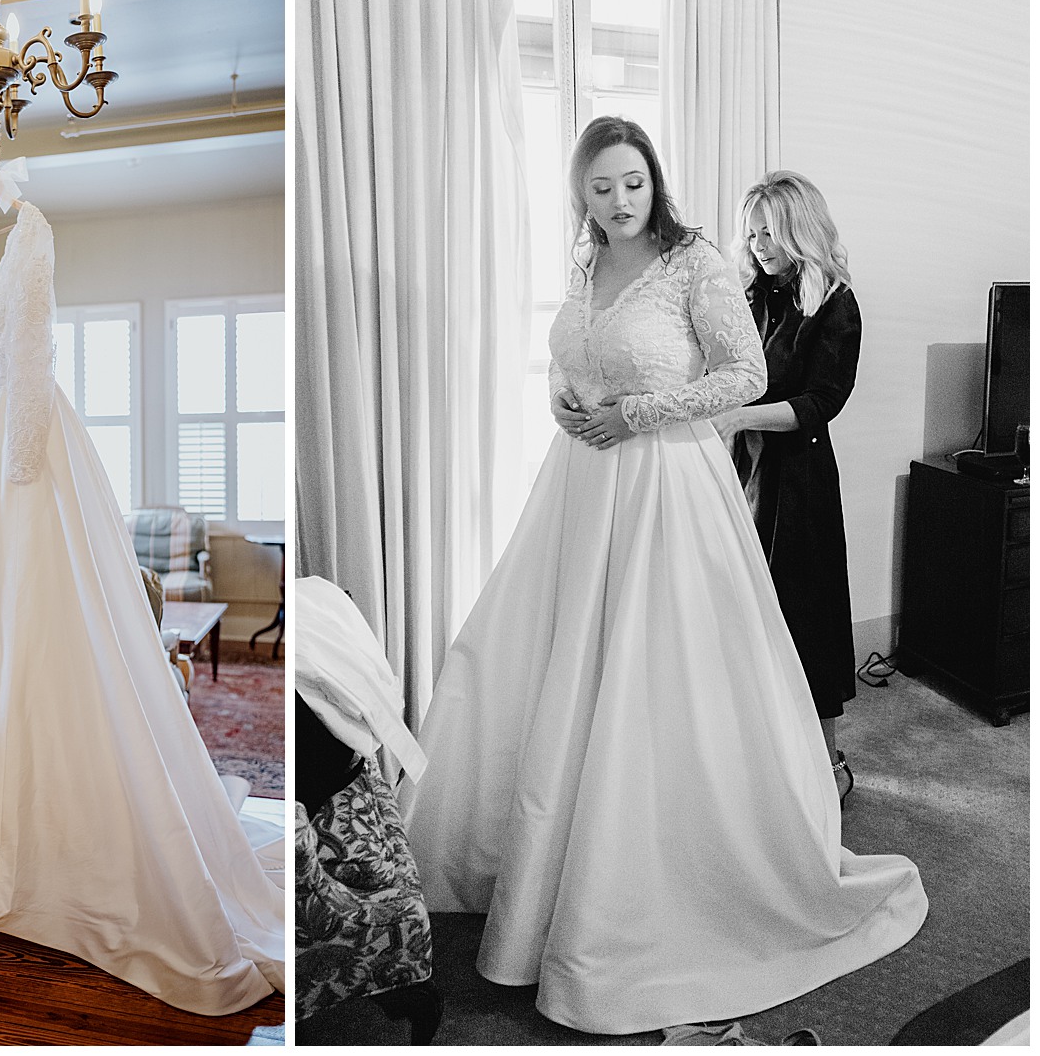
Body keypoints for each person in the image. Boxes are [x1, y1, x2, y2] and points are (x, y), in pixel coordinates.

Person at [397, 117, 926, 1036]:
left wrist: (642, 413)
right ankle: (537, 860)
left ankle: (644, 885)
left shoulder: (696, 262)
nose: (618, 200)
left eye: (631, 181)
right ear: (582, 193)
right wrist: (562, 398)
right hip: (579, 489)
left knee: (658, 675)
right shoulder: (585, 265)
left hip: (663, 486)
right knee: (551, 664)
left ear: (655, 181)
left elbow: (743, 372)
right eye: (600, 187)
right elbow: (574, 357)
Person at [0, 180, 284, 1016]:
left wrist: (20, 467)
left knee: (37, 654)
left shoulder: (29, 233)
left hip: (24, 459)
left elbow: (29, 364)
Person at [713, 170, 862, 804]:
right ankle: (759, 755)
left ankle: (825, 766)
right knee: (744, 615)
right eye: (750, 233)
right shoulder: (752, 296)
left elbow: (822, 400)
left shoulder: (835, 303)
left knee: (806, 615)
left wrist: (742, 417)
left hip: (797, 481)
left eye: (768, 231)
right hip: (743, 470)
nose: (757, 243)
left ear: (799, 229)